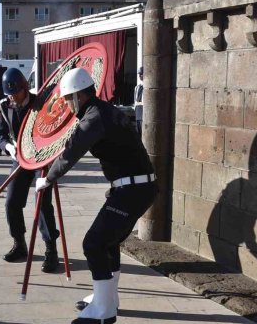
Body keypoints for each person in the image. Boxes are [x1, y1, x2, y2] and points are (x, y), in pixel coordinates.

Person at [35, 68, 157, 324]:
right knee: (108, 243)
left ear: (78, 96)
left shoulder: (94, 117)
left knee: (94, 243)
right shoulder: (103, 110)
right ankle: (108, 298)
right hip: (136, 187)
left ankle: (104, 311)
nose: (67, 105)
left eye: (68, 99)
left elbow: (71, 152)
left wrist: (47, 179)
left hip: (132, 189)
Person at [0, 68, 60, 272]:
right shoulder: (4, 107)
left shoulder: (40, 103)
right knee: (11, 202)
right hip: (20, 158)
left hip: (41, 158)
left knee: (42, 203)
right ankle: (19, 243)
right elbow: (0, 134)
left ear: (24, 88)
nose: (12, 98)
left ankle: (51, 249)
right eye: (9, 94)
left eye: (16, 93)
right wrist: (8, 147)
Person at [133, 67, 144, 134]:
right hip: (138, 113)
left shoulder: (146, 88)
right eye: (139, 74)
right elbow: (135, 101)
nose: (139, 76)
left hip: (144, 113)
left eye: (141, 74)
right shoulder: (137, 87)